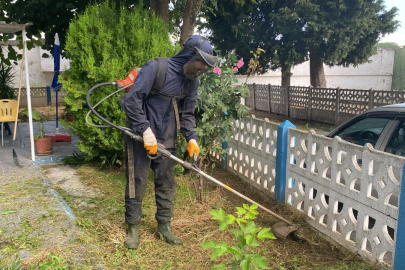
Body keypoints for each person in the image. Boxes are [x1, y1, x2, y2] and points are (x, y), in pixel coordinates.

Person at [122, 35, 218, 249]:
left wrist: (192, 137)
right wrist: (145, 130)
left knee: (166, 181)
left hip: (167, 133)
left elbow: (187, 113)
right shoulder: (156, 68)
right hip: (141, 131)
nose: (199, 71)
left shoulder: (192, 82)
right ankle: (133, 228)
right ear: (188, 54)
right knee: (136, 180)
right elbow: (132, 100)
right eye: (199, 66)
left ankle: (164, 226)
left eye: (203, 70)